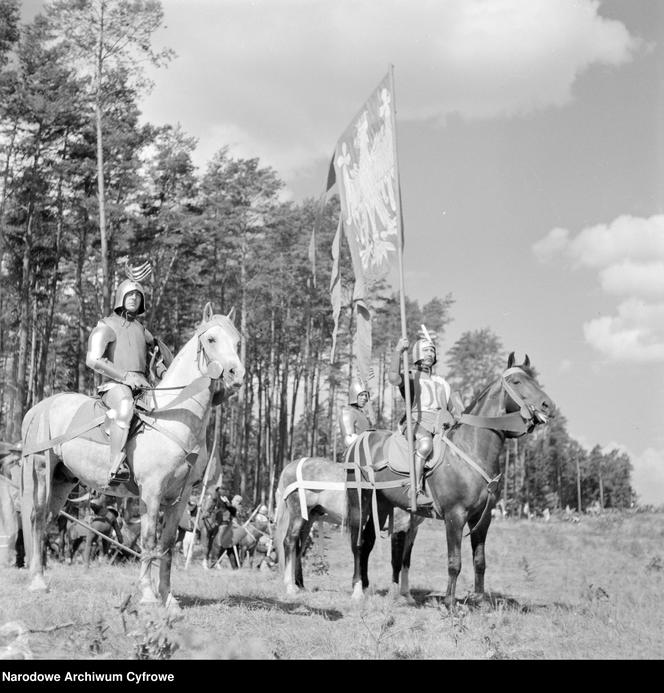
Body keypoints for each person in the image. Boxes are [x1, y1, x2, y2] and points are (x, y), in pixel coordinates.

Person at [85, 276, 169, 485]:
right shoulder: (106, 324)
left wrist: (164, 372)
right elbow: (92, 359)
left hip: (144, 386)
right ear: (120, 297)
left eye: (138, 295)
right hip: (115, 385)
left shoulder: (142, 330)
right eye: (130, 294)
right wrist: (124, 376)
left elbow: (155, 357)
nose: (133, 298)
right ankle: (116, 464)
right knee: (124, 405)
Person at [388, 334, 463, 509]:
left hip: (440, 425)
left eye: (432, 350)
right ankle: (414, 489)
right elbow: (392, 378)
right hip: (415, 421)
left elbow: (455, 409)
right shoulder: (411, 375)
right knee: (425, 445)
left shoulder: (442, 383)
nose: (430, 353)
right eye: (426, 350)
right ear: (417, 354)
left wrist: (459, 416)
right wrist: (398, 351)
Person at [338, 381, 374, 447]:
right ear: (354, 395)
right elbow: (349, 439)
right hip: (355, 454)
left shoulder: (362, 414)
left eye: (366, 395)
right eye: (361, 395)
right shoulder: (348, 412)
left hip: (367, 451)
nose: (365, 398)